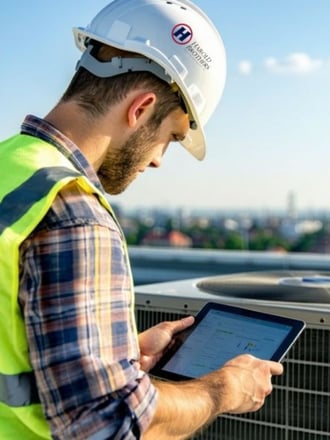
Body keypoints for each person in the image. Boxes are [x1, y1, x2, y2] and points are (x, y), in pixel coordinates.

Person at [0, 0, 283, 439]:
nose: (158, 162)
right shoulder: (75, 214)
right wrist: (221, 390)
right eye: (170, 136)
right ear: (141, 108)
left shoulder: (10, 169)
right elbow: (105, 424)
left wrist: (119, 354)